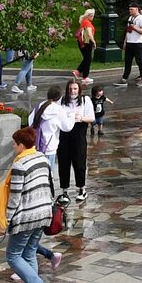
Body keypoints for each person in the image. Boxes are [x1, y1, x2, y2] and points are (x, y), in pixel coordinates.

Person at [3, 126, 55, 283]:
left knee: (13, 256)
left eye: (15, 144)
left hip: (27, 216)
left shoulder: (19, 165)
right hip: (44, 213)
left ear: (22, 145)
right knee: (29, 253)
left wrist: (6, 220)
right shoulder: (41, 157)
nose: (13, 147)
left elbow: (15, 197)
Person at [55, 78, 94, 206]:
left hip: (79, 132)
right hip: (64, 134)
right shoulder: (61, 101)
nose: (73, 91)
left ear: (79, 89)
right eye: (71, 88)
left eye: (75, 88)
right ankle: (64, 190)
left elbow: (91, 118)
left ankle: (81, 189)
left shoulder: (85, 100)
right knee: (63, 162)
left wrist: (81, 117)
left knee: (79, 162)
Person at [120, 4, 142, 84]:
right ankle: (124, 78)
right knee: (127, 61)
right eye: (129, 9)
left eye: (131, 9)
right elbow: (128, 31)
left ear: (136, 9)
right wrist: (125, 42)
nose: (130, 11)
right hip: (130, 43)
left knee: (140, 61)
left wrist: (134, 27)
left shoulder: (141, 18)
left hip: (138, 43)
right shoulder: (130, 18)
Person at [75, 8, 97, 81]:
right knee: (88, 59)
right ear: (88, 15)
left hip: (82, 42)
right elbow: (89, 34)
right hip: (87, 42)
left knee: (86, 58)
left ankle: (77, 71)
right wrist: (94, 42)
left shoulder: (83, 21)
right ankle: (85, 77)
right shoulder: (87, 22)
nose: (93, 17)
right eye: (92, 15)